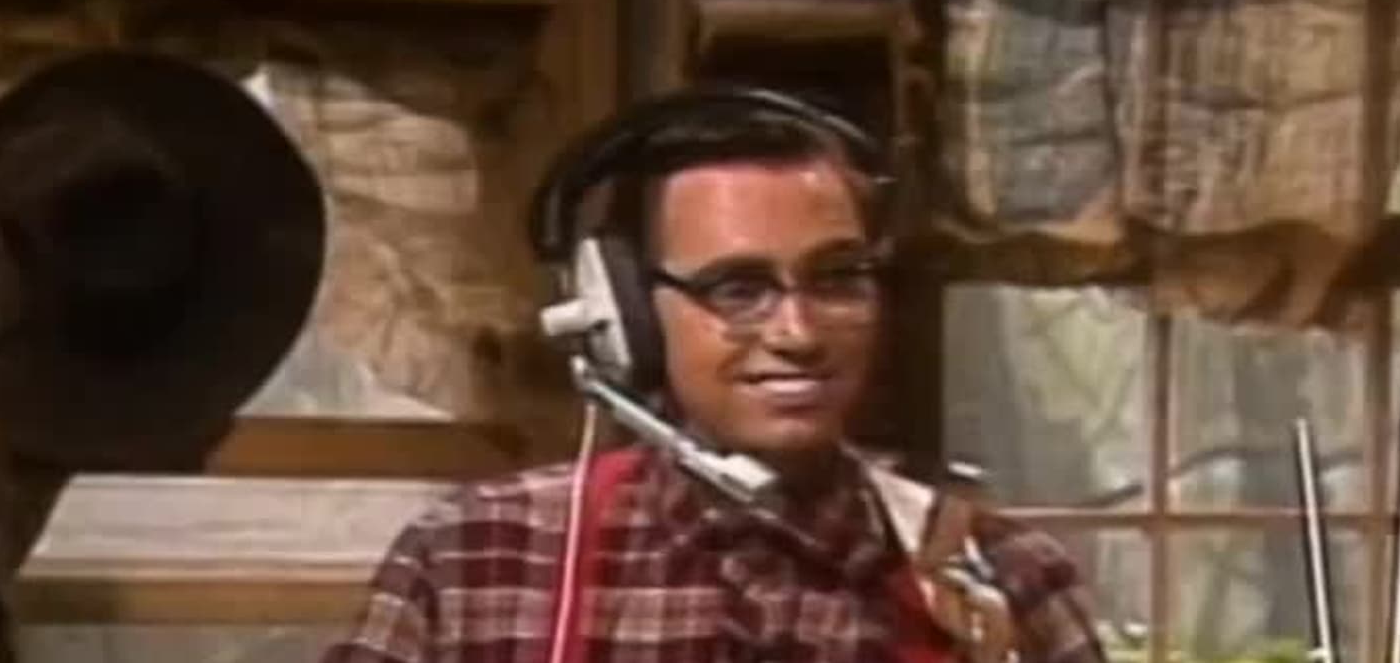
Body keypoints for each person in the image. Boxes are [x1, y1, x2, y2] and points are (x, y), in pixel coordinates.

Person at [322, 91, 1107, 663]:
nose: (797, 333)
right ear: (626, 312)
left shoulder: (1006, 579)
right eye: (737, 288)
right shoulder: (477, 558)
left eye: (837, 279)